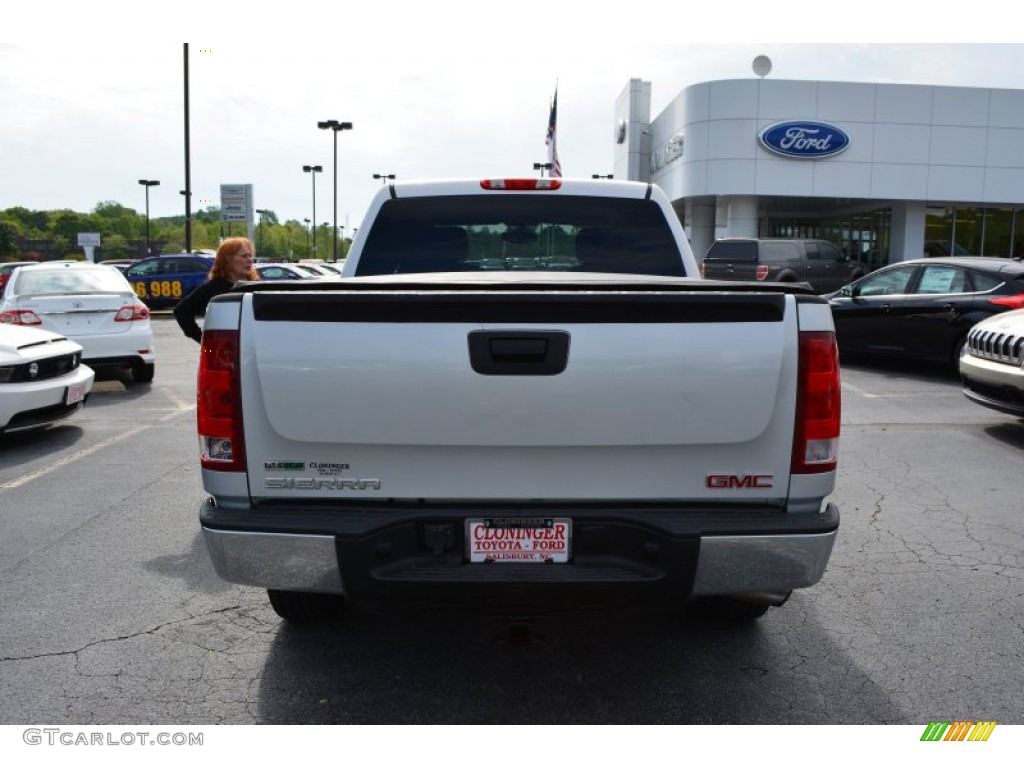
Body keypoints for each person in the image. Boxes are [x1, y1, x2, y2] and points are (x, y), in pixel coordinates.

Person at [174, 237, 259, 343]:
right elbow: (181, 311)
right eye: (244, 256)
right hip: (225, 353)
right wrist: (204, 341)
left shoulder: (257, 287)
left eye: (250, 255)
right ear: (227, 259)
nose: (249, 260)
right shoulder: (212, 288)